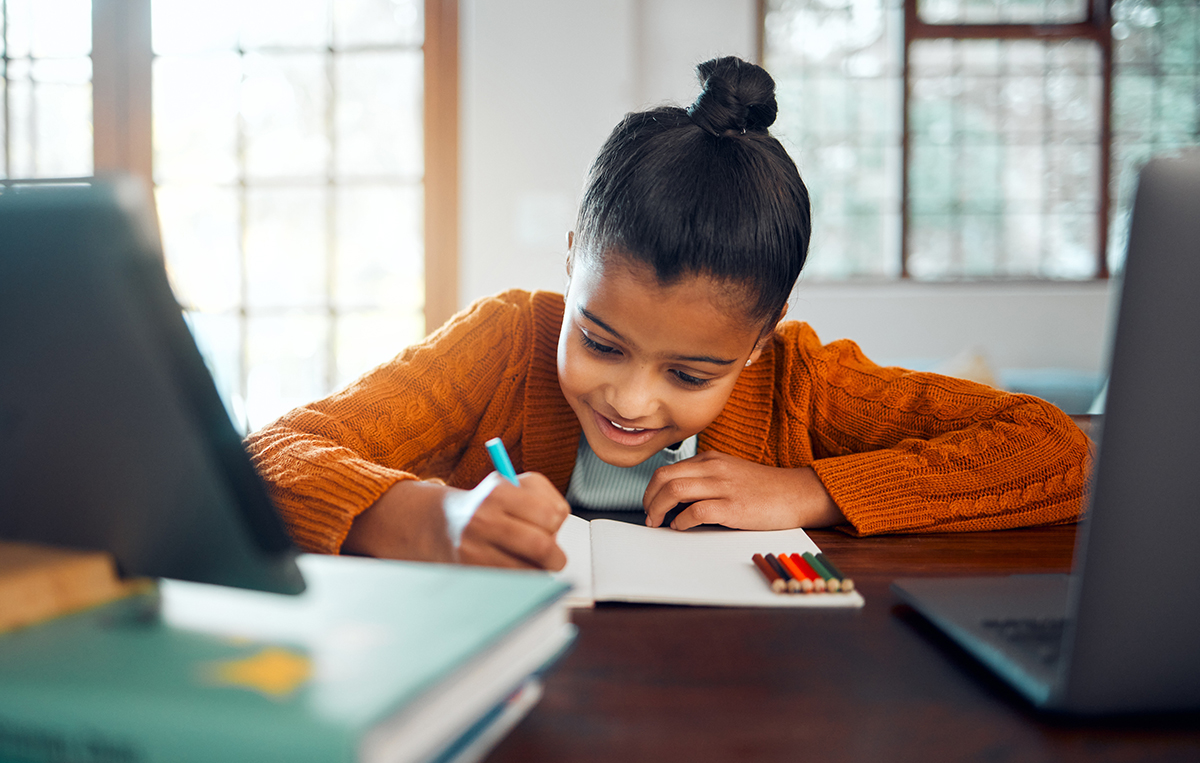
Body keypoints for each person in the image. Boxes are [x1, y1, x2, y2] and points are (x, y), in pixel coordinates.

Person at [245, 56, 1092, 572]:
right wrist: (430, 518)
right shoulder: (504, 342)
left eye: (690, 373)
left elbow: (1057, 452)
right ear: (572, 261)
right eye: (601, 341)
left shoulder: (800, 380)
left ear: (761, 336)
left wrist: (811, 490)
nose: (630, 400)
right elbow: (267, 454)